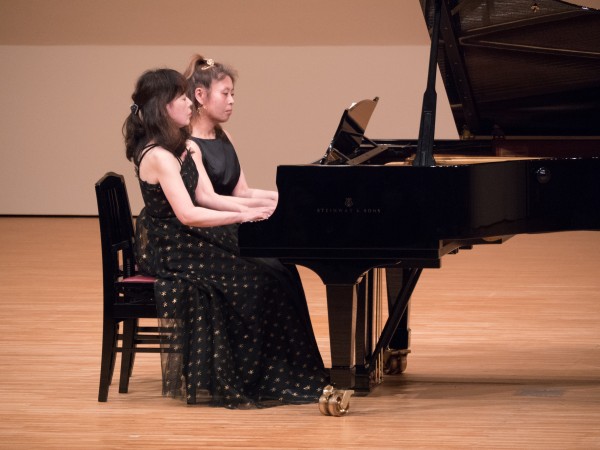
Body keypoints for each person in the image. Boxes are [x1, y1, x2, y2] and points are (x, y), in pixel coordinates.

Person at [123, 68, 327, 408]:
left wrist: (263, 206)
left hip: (189, 237)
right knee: (257, 279)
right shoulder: (158, 156)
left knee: (277, 266)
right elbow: (188, 214)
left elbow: (206, 196)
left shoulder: (179, 147)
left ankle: (287, 370)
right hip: (174, 247)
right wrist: (244, 215)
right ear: (163, 106)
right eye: (182, 98)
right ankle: (255, 375)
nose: (189, 103)